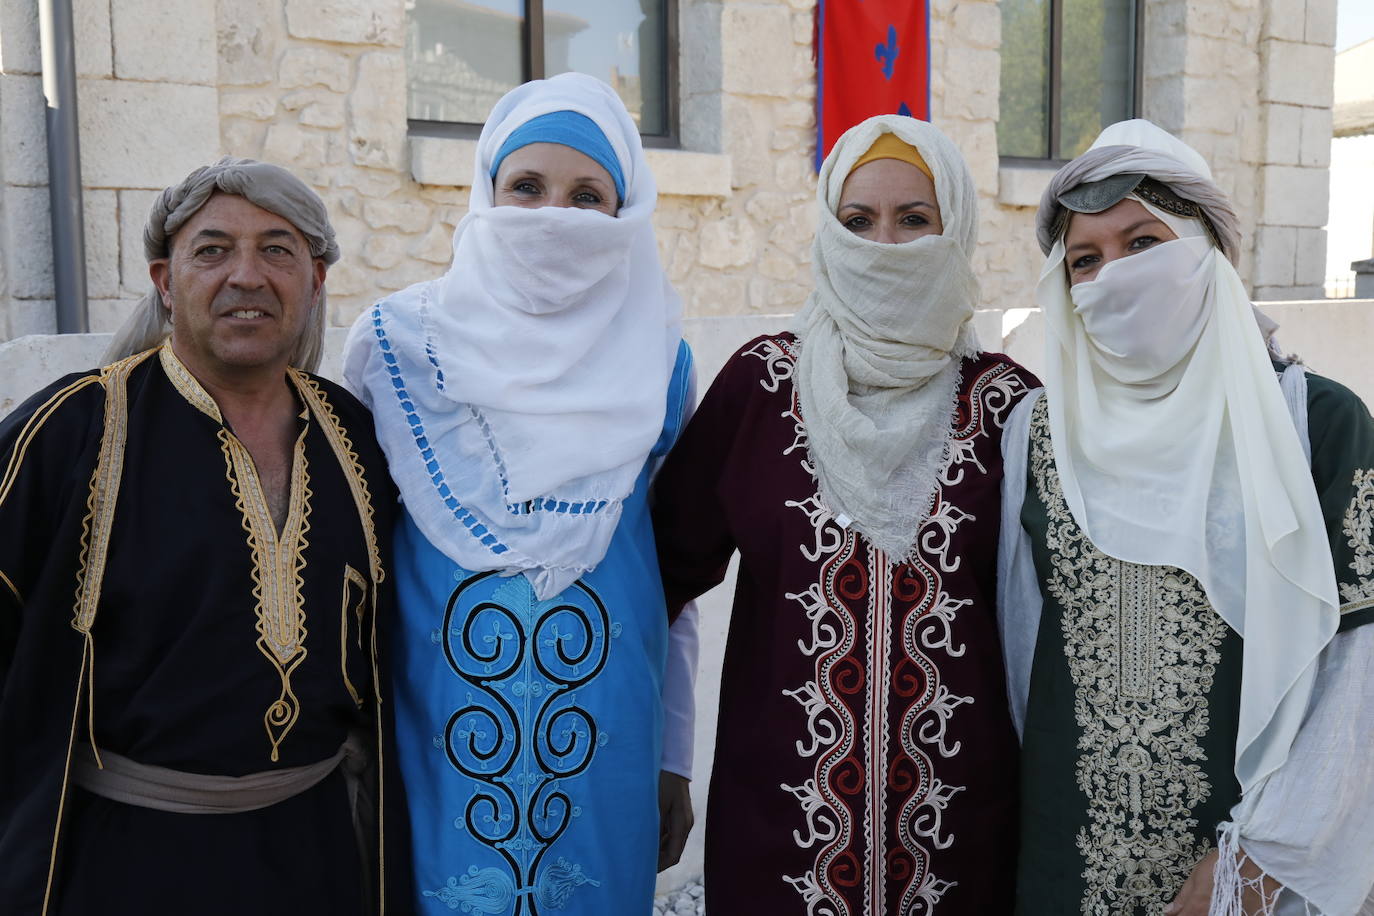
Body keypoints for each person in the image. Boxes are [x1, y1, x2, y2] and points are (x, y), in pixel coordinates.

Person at [651, 115, 1039, 914]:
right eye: (858, 222)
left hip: (962, 846)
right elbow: (652, 579)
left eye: (915, 220)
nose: (885, 245)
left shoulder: (1006, 406)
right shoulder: (762, 389)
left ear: (954, 226)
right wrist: (658, 757)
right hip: (780, 843)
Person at [0, 158, 408, 915]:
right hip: (124, 865)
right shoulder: (72, 433)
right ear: (165, 279)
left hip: (319, 854)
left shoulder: (358, 438)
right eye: (213, 249)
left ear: (316, 281)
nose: (246, 276)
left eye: (277, 249)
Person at [998, 120, 1374, 915]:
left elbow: (1361, 670)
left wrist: (1257, 865)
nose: (1115, 276)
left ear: (1207, 246)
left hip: (1245, 875)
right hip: (1065, 865)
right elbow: (1017, 643)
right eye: (1084, 260)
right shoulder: (1037, 434)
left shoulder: (1317, 425)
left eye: (1142, 242)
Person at [343, 72, 697, 915]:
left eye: (587, 197)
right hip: (439, 742)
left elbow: (675, 585)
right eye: (526, 188)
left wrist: (674, 756)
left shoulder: (661, 360)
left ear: (625, 215)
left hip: (607, 749)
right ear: (485, 192)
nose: (551, 218)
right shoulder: (396, 350)